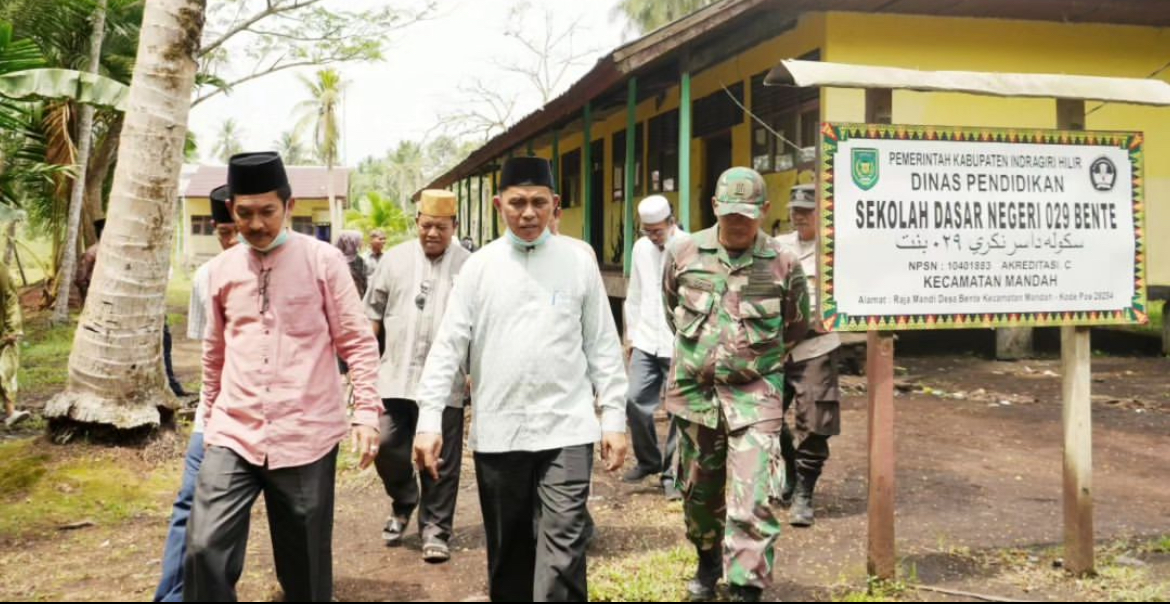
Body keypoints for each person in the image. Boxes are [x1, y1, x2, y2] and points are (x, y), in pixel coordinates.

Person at [413, 156, 628, 602]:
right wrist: (429, 420)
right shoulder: (478, 268)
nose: (528, 213)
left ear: (554, 204)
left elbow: (603, 345)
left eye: (537, 202)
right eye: (517, 203)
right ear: (498, 205)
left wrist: (613, 418)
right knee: (509, 554)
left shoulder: (578, 262)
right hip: (499, 432)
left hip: (567, 429)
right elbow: (448, 348)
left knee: (564, 551)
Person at [184, 152, 382, 602]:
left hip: (305, 432)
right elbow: (215, 354)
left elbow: (357, 342)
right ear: (232, 209)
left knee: (305, 567)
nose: (256, 224)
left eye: (267, 211)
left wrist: (366, 412)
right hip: (234, 431)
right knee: (203, 547)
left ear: (288, 207)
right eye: (245, 213)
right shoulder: (219, 271)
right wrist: (208, 422)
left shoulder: (323, 262)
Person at [663, 167, 809, 602]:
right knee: (698, 495)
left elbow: (795, 325)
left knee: (755, 495)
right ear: (714, 208)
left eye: (747, 214)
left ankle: (746, 588)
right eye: (729, 213)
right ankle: (708, 561)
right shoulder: (684, 253)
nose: (738, 222)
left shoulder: (783, 263)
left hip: (756, 393)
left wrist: (755, 361)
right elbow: (670, 305)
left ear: (764, 210)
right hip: (695, 393)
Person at [364, 189, 471, 563]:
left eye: (441, 228)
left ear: (454, 227)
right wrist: (359, 372)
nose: (432, 234)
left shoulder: (469, 265)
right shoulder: (392, 261)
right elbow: (371, 316)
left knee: (441, 461)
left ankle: (436, 530)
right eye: (426, 226)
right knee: (388, 446)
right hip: (394, 375)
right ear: (416, 224)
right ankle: (404, 498)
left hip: (446, 384)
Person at [152, 184, 237, 602]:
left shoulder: (294, 268)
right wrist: (208, 413)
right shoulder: (206, 277)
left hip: (277, 423)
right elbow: (209, 353)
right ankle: (172, 597)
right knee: (189, 506)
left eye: (236, 228)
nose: (233, 239)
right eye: (223, 232)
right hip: (215, 416)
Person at [775, 184, 841, 527]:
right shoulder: (778, 247)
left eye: (806, 210)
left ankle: (804, 492)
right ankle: (788, 467)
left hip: (816, 346)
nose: (799, 216)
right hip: (776, 347)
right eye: (795, 210)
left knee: (815, 423)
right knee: (766, 417)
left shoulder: (835, 250)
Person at [621, 195, 683, 501]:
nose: (652, 237)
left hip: (678, 342)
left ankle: (672, 473)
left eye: (657, 231)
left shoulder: (689, 246)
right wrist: (630, 335)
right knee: (634, 400)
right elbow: (635, 293)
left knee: (677, 410)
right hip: (646, 338)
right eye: (647, 231)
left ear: (671, 223)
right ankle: (649, 461)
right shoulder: (640, 249)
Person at [0, 261, 25, 429]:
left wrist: (12, 328)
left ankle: (10, 412)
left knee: (5, 369)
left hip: (3, 330)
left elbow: (10, 297)